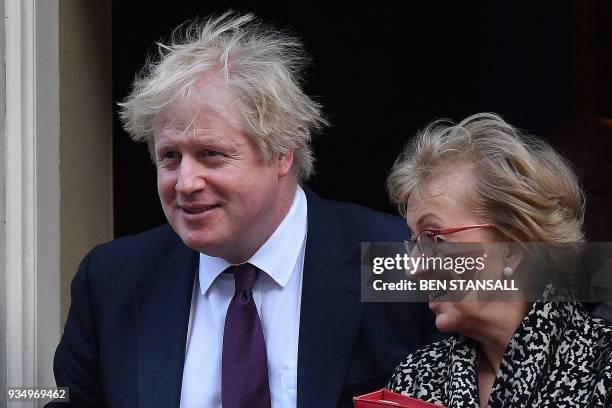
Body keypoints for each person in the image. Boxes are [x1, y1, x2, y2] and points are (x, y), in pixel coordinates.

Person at [48, 12, 438, 408]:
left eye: (210, 154)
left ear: (282, 153)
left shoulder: (400, 257)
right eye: (169, 156)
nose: (185, 182)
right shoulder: (114, 278)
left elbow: (500, 332)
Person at [385, 113, 612, 407]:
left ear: (513, 245)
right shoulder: (413, 379)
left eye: (434, 238)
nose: (413, 269)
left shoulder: (601, 366)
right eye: (414, 243)